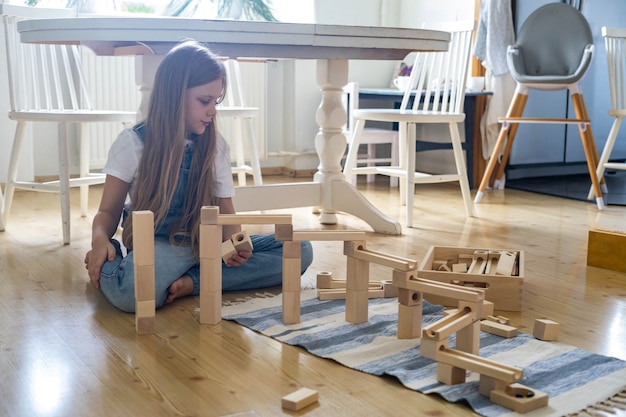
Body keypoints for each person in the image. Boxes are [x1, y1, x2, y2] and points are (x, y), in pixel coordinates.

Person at [84, 40, 313, 312]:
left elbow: (226, 209)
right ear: (174, 95)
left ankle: (193, 282)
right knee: (132, 293)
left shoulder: (215, 147)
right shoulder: (133, 144)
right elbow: (107, 212)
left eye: (215, 101)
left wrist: (235, 245)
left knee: (300, 249)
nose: (213, 110)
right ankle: (116, 265)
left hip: (205, 245)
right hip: (161, 248)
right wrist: (100, 240)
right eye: (205, 101)